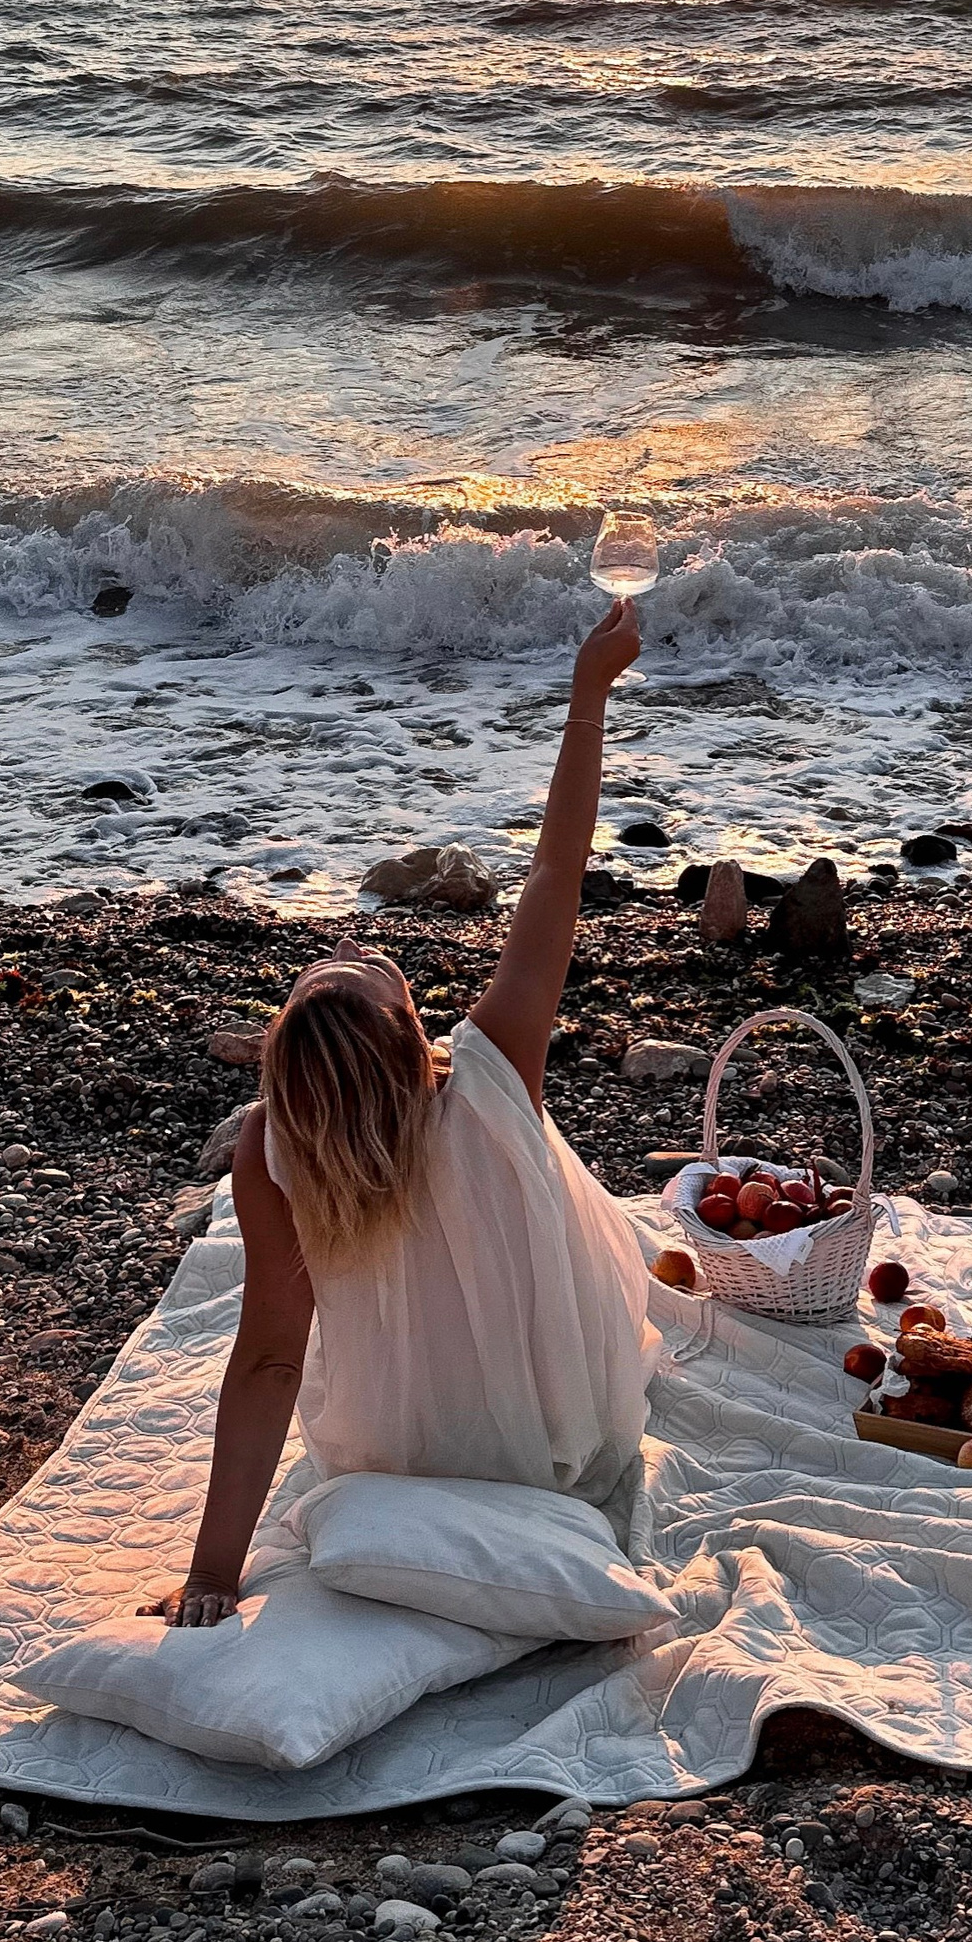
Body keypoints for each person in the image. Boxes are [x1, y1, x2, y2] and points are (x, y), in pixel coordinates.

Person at [155, 596, 656, 1626]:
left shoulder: (275, 1148)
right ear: (406, 1034)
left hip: (381, 1457)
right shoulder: (488, 1078)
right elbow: (555, 871)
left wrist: (213, 1574)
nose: (352, 943)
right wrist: (588, 694)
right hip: (558, 1450)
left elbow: (268, 1360)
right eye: (354, 968)